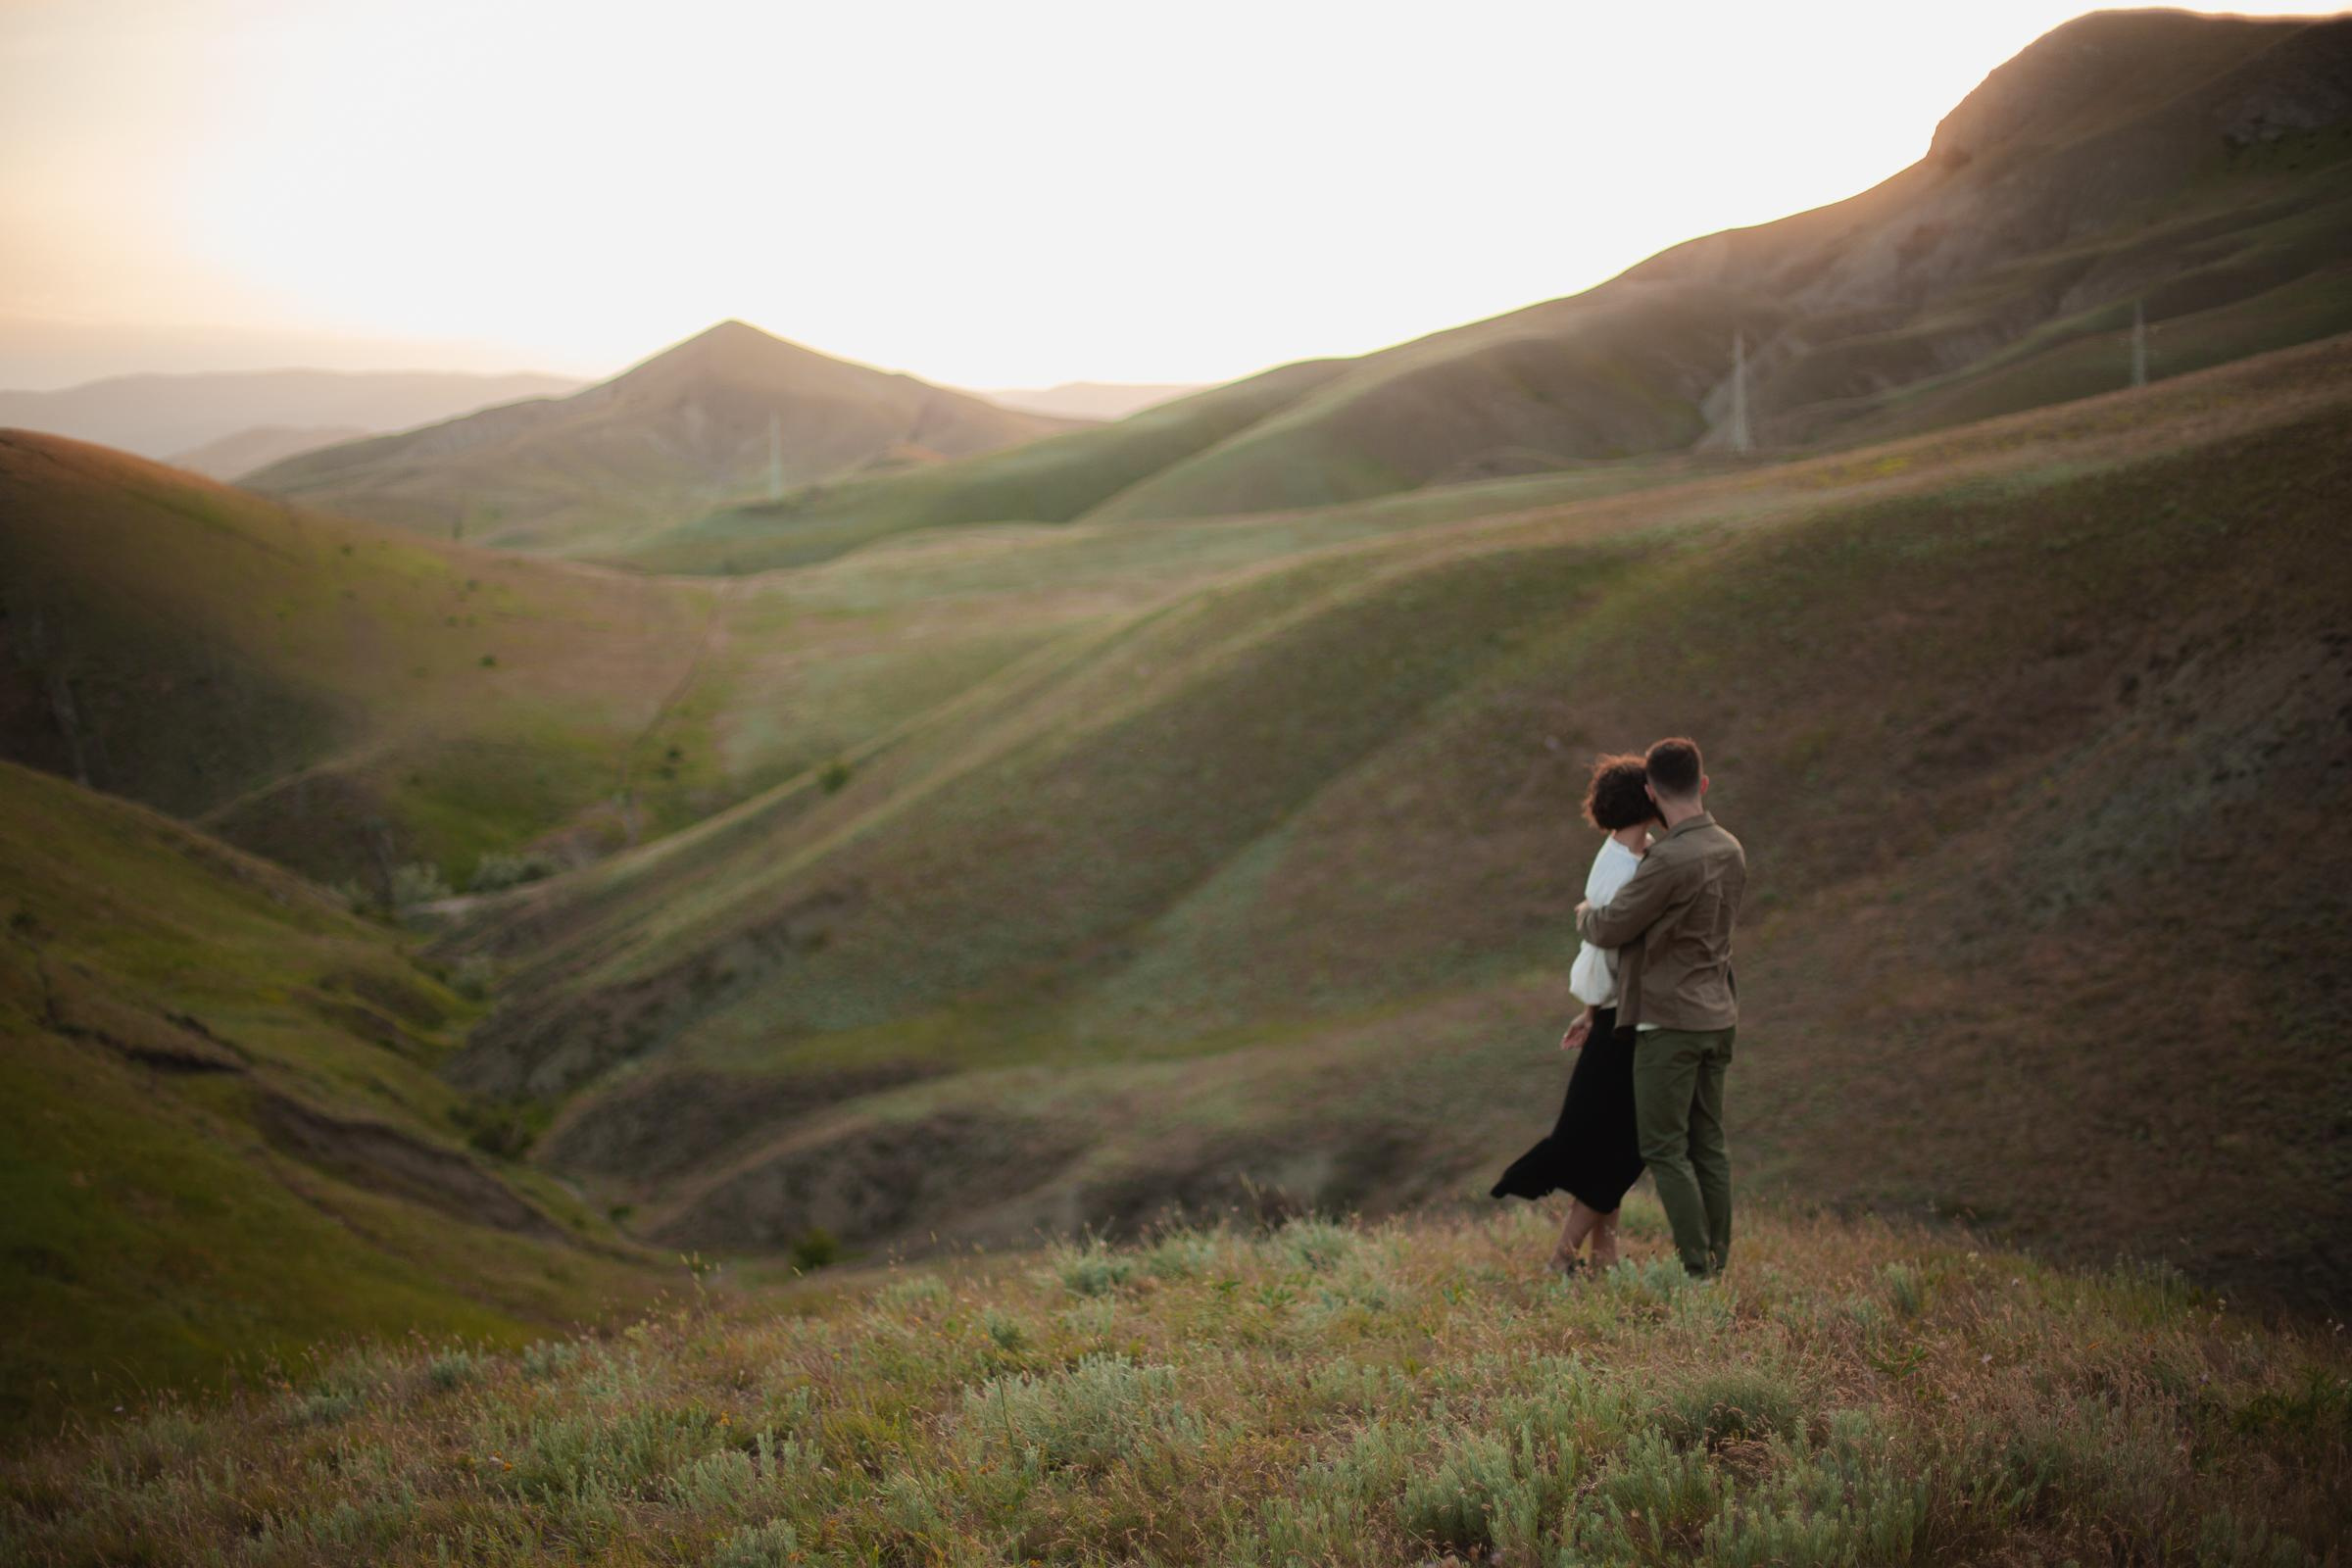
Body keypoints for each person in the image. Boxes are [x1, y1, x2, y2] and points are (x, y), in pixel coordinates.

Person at [1576, 736, 1747, 1281]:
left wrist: (1582, 913)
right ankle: (1719, 1259)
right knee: (1709, 1145)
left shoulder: (1668, 859)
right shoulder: (1729, 848)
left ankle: (1698, 1269)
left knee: (1663, 1149)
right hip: (1718, 1012)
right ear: (1702, 784)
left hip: (1668, 1021)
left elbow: (1609, 926)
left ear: (1650, 791)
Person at [1491, 755, 1658, 1276]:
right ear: (1648, 799)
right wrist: (1595, 1010)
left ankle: (1603, 1262)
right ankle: (1562, 1260)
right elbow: (1607, 952)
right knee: (1624, 1148)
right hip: (1624, 1020)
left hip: (1612, 1014)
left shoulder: (1628, 854)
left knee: (1610, 1147)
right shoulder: (1625, 870)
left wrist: (1588, 1009)